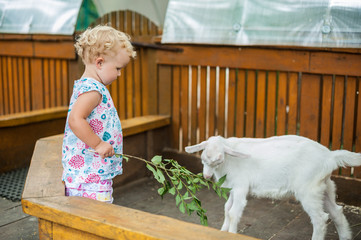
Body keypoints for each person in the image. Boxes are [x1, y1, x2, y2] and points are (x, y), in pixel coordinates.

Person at [62, 25, 136, 203]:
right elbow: (75, 119)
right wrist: (98, 144)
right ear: (100, 62)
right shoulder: (93, 90)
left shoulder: (90, 86)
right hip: (89, 176)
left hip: (90, 171)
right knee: (99, 215)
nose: (119, 74)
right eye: (118, 68)